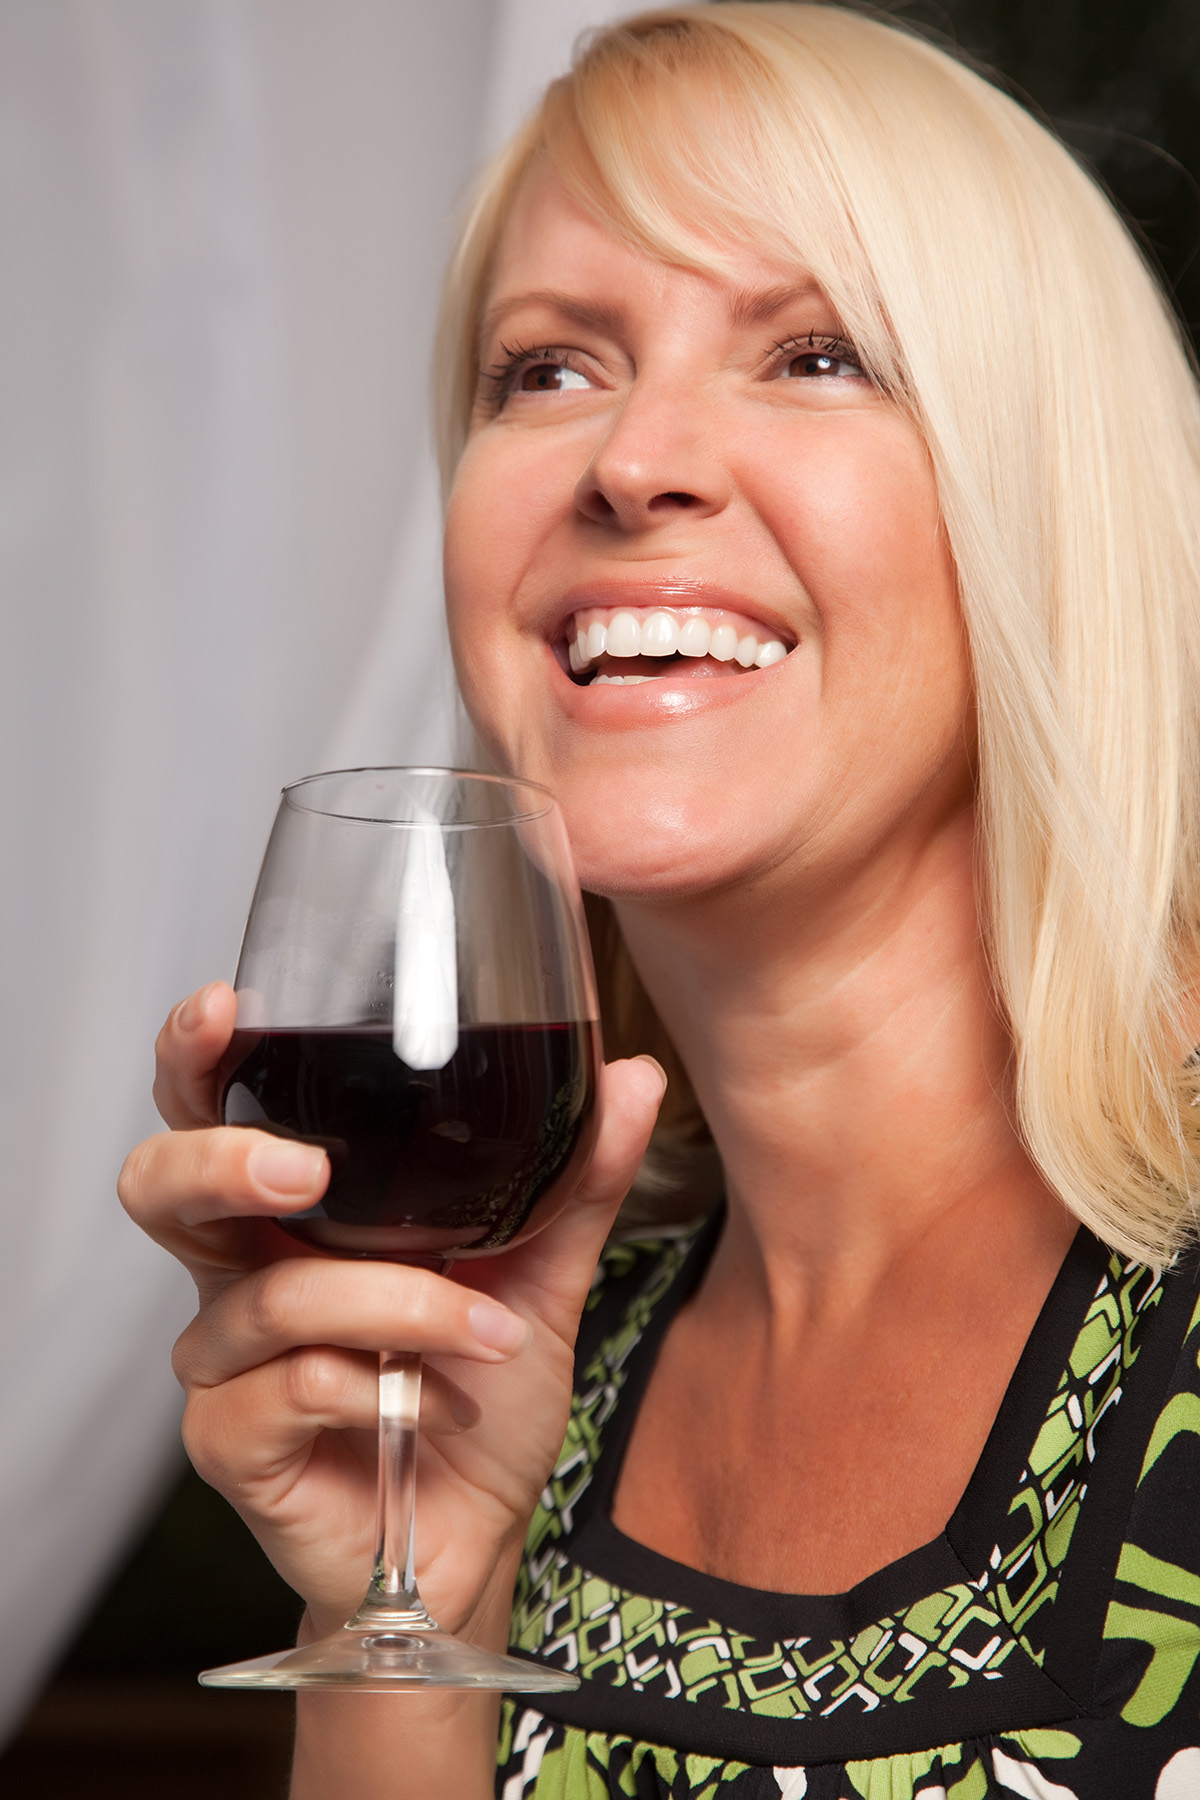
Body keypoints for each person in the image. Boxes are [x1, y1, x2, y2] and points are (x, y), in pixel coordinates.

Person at [119, 6, 1200, 1796]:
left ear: (1040, 498)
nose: (634, 462)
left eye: (815, 355)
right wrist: (409, 1606)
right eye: (547, 369)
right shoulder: (527, 1372)